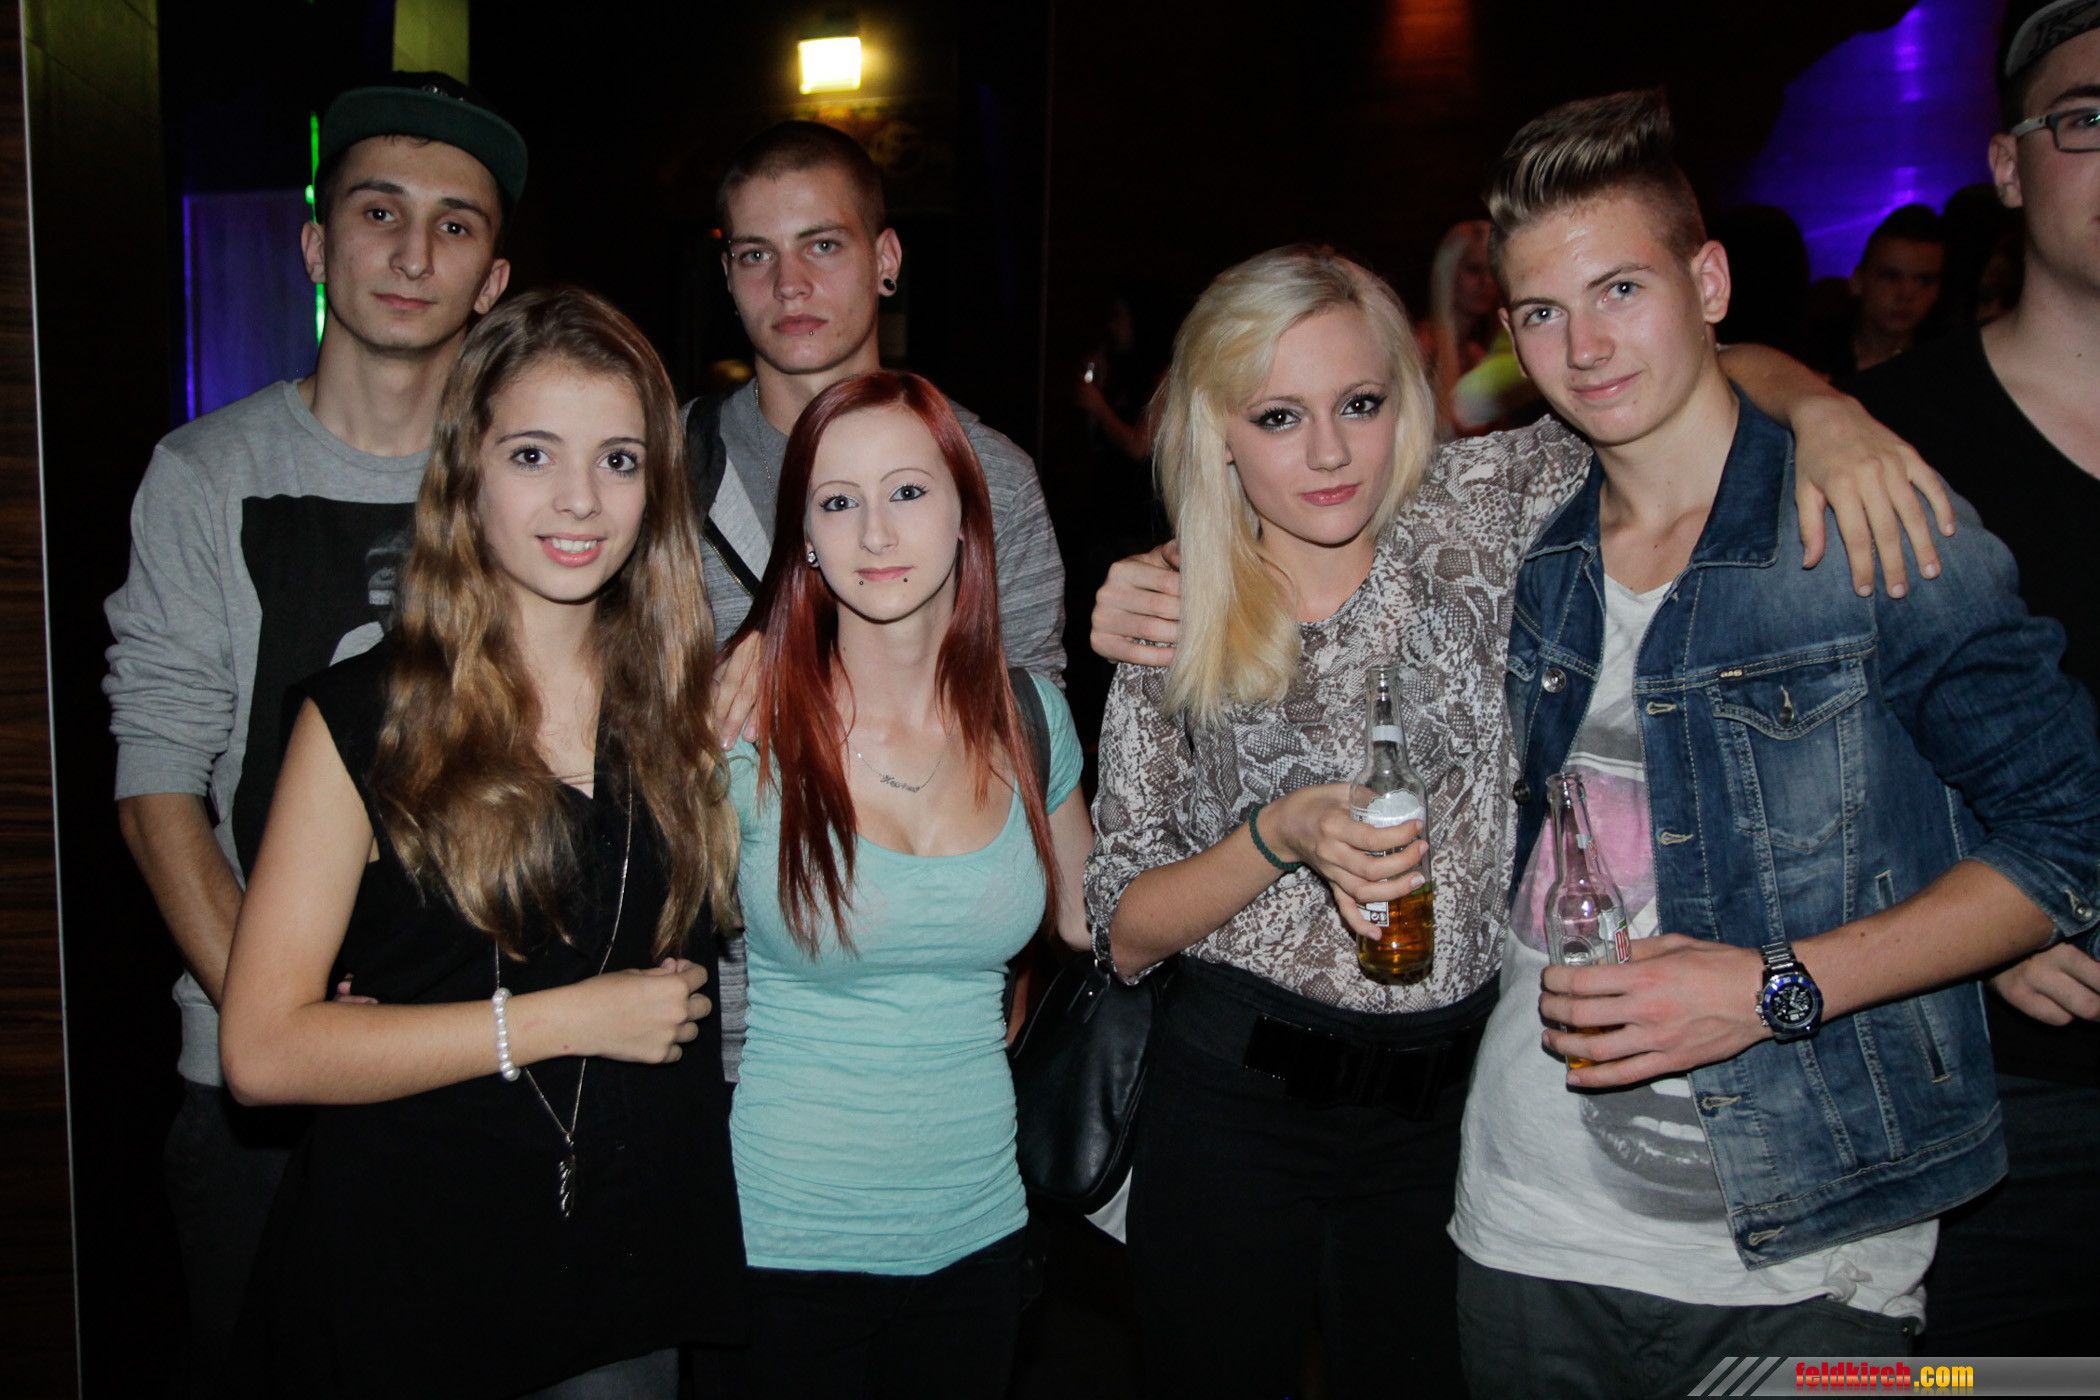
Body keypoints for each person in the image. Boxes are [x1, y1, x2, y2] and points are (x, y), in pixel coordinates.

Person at [1080, 242, 1943, 1399]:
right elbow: (1123, 926)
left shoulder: (1480, 508)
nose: (1329, 451)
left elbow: (1681, 381)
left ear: (1404, 400)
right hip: (1237, 1103)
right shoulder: (1176, 609)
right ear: (1219, 432)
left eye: (1359, 403)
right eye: (1279, 416)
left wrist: (1828, 414)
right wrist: (1278, 835)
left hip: (1443, 1114)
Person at [1450, 90, 2100, 1399]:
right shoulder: (1532, 542)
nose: (1586, 346)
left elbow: (2072, 837)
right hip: (1522, 1229)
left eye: (1621, 289)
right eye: (1542, 312)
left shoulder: (1871, 524)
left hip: (1808, 1251)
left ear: (1708, 281)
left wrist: (1770, 988)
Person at [216, 287, 746, 1399]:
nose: (579, 498)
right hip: (416, 1268)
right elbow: (261, 1054)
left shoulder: (688, 710)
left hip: (623, 1269)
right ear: (467, 472)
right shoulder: (365, 718)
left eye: (618, 460)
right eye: (533, 454)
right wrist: (564, 1021)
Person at [101, 72, 521, 1395]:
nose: (414, 251)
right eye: (379, 211)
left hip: (482, 1067)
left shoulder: (534, 480)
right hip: (259, 1094)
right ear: (315, 244)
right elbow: (158, 782)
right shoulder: (203, 474)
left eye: (455, 224)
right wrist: (271, 1013)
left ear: (494, 280)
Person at [721, 370, 1091, 1397]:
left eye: (909, 492)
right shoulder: (744, 726)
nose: (876, 531)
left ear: (967, 516)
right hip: (786, 1245)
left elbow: (1100, 920)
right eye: (838, 501)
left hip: (982, 1235)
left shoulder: (1030, 718)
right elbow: (616, 906)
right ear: (804, 538)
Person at [687, 120, 1067, 1082]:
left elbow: (1028, 736)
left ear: (886, 259)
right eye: (756, 255)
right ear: (727, 276)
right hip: (700, 1027)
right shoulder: (658, 476)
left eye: (823, 245)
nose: (790, 285)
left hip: (931, 1019)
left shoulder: (990, 479)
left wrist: (1013, 979)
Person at [1846, 0, 2100, 1354]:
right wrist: (1974, 905)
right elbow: (1806, 756)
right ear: (2010, 165)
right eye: (2089, 121)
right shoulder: (1888, 440)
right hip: (2002, 1113)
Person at [1806, 205, 1946, 378]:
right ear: (1858, 281)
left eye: (1923, 281)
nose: (1906, 294)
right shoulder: (1808, 354)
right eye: (1890, 276)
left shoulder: (1944, 367)